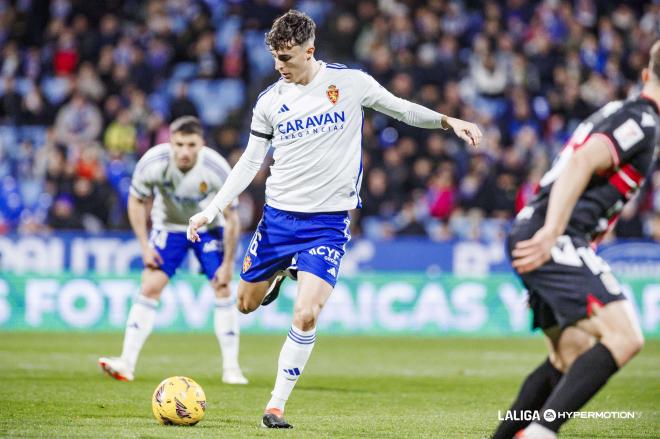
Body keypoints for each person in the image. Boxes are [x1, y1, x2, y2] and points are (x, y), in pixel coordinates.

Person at [187, 10, 482, 428]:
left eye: (286, 58)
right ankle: (278, 274)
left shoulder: (349, 83)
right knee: (244, 304)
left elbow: (400, 109)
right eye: (275, 58)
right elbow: (250, 161)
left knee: (306, 314)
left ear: (310, 51)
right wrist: (212, 209)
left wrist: (447, 120)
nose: (279, 67)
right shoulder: (270, 102)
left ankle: (275, 405)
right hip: (278, 221)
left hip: (326, 224)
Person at [492, 40, 660, 439]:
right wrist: (554, 231)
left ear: (645, 74)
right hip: (554, 236)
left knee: (569, 357)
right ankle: (540, 434)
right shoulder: (643, 120)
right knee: (625, 337)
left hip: (535, 230)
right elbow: (584, 160)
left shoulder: (621, 111)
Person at [98, 116, 248, 385]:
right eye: (178, 144)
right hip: (169, 227)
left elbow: (233, 218)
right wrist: (144, 246)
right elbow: (136, 201)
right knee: (150, 285)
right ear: (170, 142)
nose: (184, 151)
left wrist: (228, 263)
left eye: (191, 144)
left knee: (223, 287)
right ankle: (127, 363)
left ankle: (231, 369)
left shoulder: (216, 168)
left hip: (208, 228)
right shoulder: (154, 163)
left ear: (201, 144)